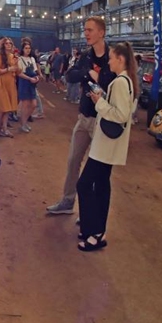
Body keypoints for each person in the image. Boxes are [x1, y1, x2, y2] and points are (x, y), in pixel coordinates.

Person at [47, 16, 116, 215]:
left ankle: (89, 213)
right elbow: (70, 75)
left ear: (101, 32)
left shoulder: (111, 57)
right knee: (73, 161)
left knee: (96, 170)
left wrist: (97, 77)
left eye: (90, 30)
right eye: (84, 30)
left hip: (102, 121)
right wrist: (88, 74)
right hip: (84, 117)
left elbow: (110, 82)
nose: (85, 33)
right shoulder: (86, 56)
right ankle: (67, 202)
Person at [77, 42, 138, 251]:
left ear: (120, 59)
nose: (109, 61)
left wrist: (99, 102)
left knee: (85, 185)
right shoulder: (128, 81)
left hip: (106, 145)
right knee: (101, 186)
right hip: (110, 145)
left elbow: (120, 115)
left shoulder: (121, 82)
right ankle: (95, 230)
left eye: (112, 58)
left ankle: (92, 230)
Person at [0, 38, 19, 138]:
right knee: (0, 109)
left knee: (7, 109)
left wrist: (16, 64)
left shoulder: (13, 57)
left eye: (10, 43)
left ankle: (5, 129)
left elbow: (17, 71)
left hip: (11, 85)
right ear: (3, 46)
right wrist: (8, 69)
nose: (8, 45)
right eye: (6, 43)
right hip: (0, 85)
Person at [17, 40, 41, 133]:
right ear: (22, 49)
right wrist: (29, 79)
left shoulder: (32, 59)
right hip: (24, 83)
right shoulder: (19, 59)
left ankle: (24, 121)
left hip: (32, 84)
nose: (28, 50)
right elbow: (19, 73)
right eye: (26, 48)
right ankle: (23, 124)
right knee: (25, 105)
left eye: (29, 48)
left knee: (34, 104)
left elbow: (34, 71)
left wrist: (37, 77)